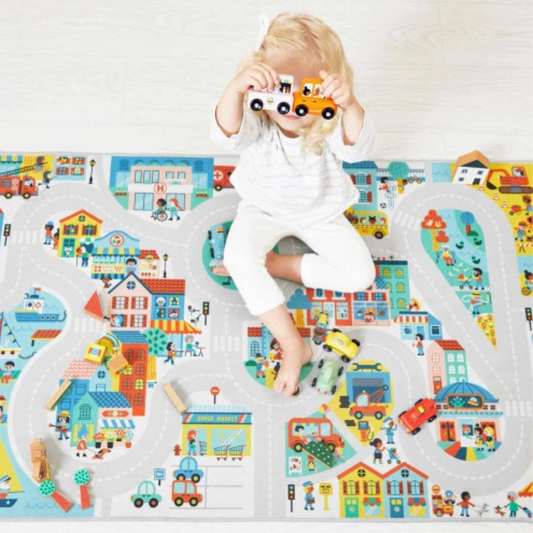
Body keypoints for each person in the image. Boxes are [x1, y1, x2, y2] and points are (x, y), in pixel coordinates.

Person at [209, 12, 376, 397]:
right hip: (262, 208)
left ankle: (276, 265)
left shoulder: (327, 123)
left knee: (360, 275)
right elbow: (225, 134)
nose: (288, 106)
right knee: (236, 257)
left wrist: (350, 105)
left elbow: (359, 150)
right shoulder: (257, 117)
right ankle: (292, 344)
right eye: (280, 90)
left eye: (306, 94)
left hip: (321, 212)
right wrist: (235, 89)